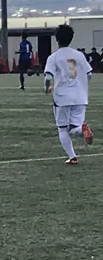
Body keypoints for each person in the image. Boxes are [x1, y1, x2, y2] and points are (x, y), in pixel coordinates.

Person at [44, 24, 94, 165]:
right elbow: (89, 74)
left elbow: (48, 77)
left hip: (62, 97)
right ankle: (82, 130)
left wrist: (47, 88)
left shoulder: (54, 57)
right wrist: (82, 85)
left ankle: (72, 157)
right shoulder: (79, 55)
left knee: (62, 128)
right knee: (74, 128)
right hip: (80, 96)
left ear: (57, 39)